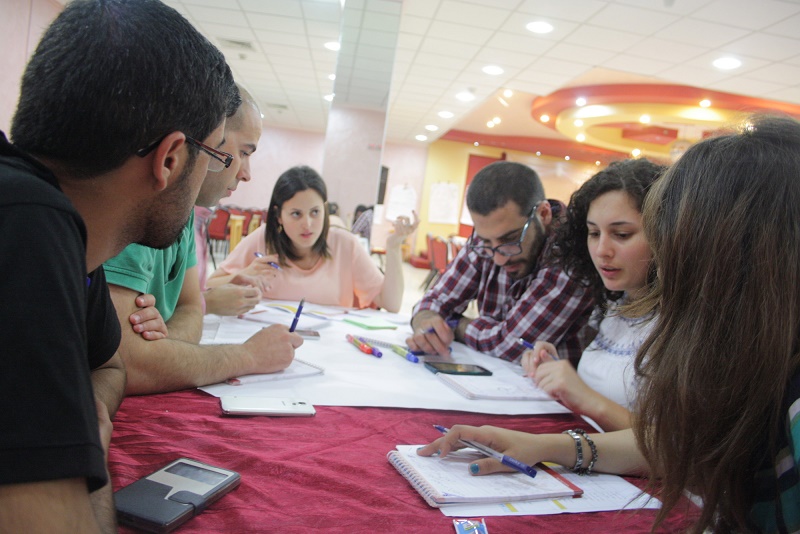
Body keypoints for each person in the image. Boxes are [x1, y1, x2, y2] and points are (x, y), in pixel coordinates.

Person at [420, 115, 800, 533]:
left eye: (628, 234)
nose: (672, 267)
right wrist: (547, 445)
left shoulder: (742, 353)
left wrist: (569, 418)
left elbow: (686, 450)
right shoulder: (634, 310)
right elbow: (679, 446)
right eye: (593, 233)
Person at [0, 0, 237, 530]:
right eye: (216, 155)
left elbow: (107, 364)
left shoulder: (72, 233)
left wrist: (78, 418)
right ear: (171, 158)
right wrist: (79, 448)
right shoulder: (28, 224)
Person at [104, 85, 302, 396]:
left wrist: (162, 346)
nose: (246, 173)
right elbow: (128, 362)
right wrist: (248, 356)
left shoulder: (181, 213)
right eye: (244, 153)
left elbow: (192, 307)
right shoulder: (141, 207)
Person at [522, 158, 663, 431]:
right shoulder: (613, 305)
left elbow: (672, 448)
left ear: (665, 235)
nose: (602, 250)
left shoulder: (681, 324)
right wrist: (557, 373)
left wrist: (584, 397)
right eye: (594, 233)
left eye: (622, 235)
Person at [407, 161, 594, 362]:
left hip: (544, 390)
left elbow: (512, 346)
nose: (498, 258)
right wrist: (426, 320)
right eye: (486, 241)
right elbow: (434, 300)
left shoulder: (572, 254)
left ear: (544, 214)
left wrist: (454, 324)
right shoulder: (490, 238)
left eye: (511, 239)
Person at [206, 166, 417, 312]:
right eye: (296, 214)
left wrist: (394, 247)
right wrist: (241, 276)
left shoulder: (345, 244)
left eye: (315, 212)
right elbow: (208, 287)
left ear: (325, 211)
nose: (307, 224)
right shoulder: (263, 238)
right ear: (279, 215)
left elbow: (390, 304)